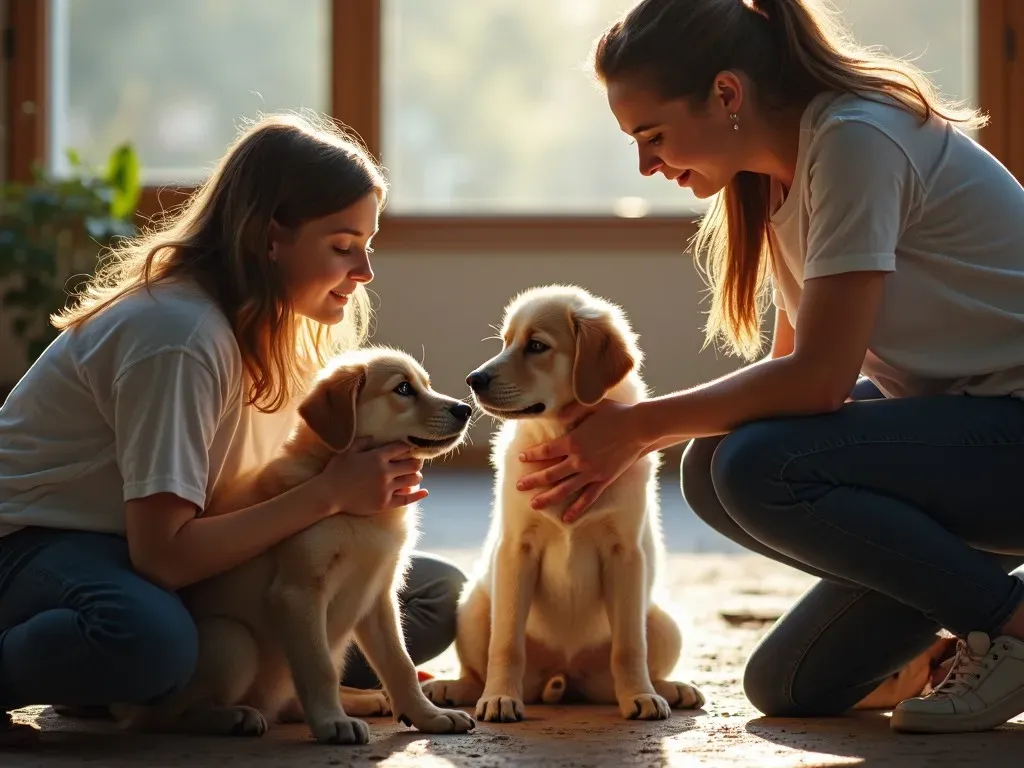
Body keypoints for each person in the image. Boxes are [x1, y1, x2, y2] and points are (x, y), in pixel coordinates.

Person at [514, 0, 1024, 735]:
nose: (646, 164)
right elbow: (789, 382)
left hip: (1009, 432)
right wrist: (645, 430)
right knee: (790, 679)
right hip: (968, 440)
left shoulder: (856, 140)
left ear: (726, 94)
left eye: (652, 136)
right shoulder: (772, 175)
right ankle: (966, 609)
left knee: (753, 464)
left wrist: (635, 428)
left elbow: (815, 383)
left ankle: (1010, 623)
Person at [0, 112, 465, 743]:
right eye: (342, 246)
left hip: (175, 559)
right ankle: (119, 672)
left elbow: (265, 502)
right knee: (150, 641)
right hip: (42, 542)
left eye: (367, 247)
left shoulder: (283, 331)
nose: (364, 273)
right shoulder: (179, 336)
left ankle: (116, 683)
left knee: (434, 594)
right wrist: (330, 493)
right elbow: (162, 556)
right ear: (270, 238)